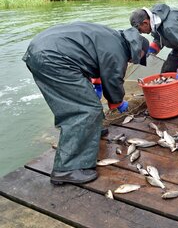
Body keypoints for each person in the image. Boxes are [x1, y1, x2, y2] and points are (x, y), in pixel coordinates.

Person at [23, 22, 149, 185]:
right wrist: (117, 103)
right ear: (138, 50)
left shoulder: (114, 37)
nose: (133, 61)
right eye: (137, 58)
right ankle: (66, 169)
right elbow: (113, 81)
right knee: (85, 110)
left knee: (80, 102)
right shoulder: (117, 51)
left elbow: (92, 59)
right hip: (52, 58)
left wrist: (96, 84)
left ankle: (90, 130)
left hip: (43, 49)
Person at [129, 4, 178, 115]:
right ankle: (167, 94)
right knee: (168, 68)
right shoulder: (154, 22)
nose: (141, 33)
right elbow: (159, 38)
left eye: (139, 29)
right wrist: (151, 50)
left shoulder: (169, 26)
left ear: (145, 23)